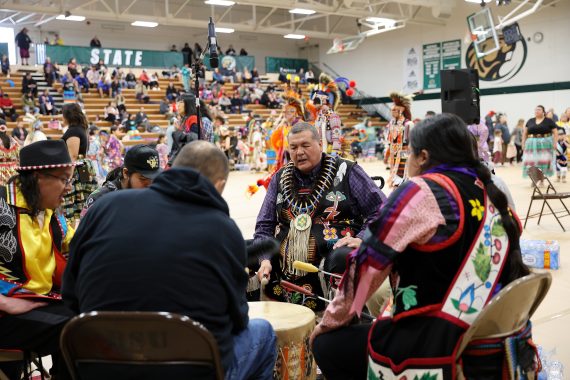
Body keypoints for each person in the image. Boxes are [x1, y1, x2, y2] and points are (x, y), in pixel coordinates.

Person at [311, 113, 533, 380]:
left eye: (409, 154)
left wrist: (326, 324)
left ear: (423, 157)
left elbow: (366, 270)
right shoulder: (492, 191)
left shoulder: (421, 191)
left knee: (328, 344)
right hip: (495, 335)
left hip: (439, 342)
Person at [63, 141, 277, 378]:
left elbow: (70, 296)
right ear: (220, 185)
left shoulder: (104, 207)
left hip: (102, 368)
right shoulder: (223, 229)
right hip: (190, 371)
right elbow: (238, 319)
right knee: (263, 332)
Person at [254, 122, 386, 311]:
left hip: (334, 252)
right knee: (240, 252)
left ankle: (342, 318)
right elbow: (264, 225)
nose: (299, 152)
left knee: (343, 258)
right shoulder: (280, 177)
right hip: (283, 255)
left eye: (305, 146)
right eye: (293, 147)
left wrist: (362, 238)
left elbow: (381, 210)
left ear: (320, 145)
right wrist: (264, 259)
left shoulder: (346, 170)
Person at [0, 140, 76, 378]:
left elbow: (80, 248)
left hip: (38, 304)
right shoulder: (2, 207)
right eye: (64, 179)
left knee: (90, 316)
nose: (69, 188)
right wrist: (3, 302)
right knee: (75, 329)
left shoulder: (52, 215)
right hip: (6, 312)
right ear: (39, 178)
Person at [81, 144, 161, 218]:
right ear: (126, 173)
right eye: (143, 179)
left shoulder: (153, 195)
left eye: (153, 178)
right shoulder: (99, 200)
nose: (149, 184)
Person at [60, 103, 99, 223]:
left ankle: (70, 238)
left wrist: (68, 177)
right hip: (83, 168)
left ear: (68, 116)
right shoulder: (81, 129)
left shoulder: (73, 131)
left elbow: (73, 155)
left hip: (76, 169)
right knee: (81, 204)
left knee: (70, 206)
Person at [385, 92, 414, 188]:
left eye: (395, 110)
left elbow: (412, 143)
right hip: (394, 154)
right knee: (394, 178)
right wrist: (387, 155)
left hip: (404, 153)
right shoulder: (391, 124)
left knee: (403, 177)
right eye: (392, 110)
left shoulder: (408, 124)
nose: (392, 112)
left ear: (401, 110)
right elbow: (390, 142)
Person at [522, 105, 558, 180]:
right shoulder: (530, 120)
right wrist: (523, 143)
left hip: (545, 145)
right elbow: (525, 133)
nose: (536, 111)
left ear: (543, 112)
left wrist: (555, 143)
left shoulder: (549, 121)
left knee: (543, 162)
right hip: (531, 145)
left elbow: (555, 133)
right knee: (531, 162)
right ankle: (534, 179)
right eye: (535, 110)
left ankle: (542, 180)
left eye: (539, 109)